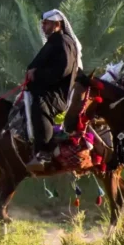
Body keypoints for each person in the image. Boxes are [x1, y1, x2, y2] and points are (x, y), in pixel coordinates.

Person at [23, 9, 82, 172]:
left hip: (58, 95)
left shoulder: (62, 41)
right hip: (47, 89)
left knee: (40, 104)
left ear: (57, 24)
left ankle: (44, 153)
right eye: (42, 24)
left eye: (46, 23)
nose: (43, 27)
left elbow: (63, 69)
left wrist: (37, 74)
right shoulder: (54, 41)